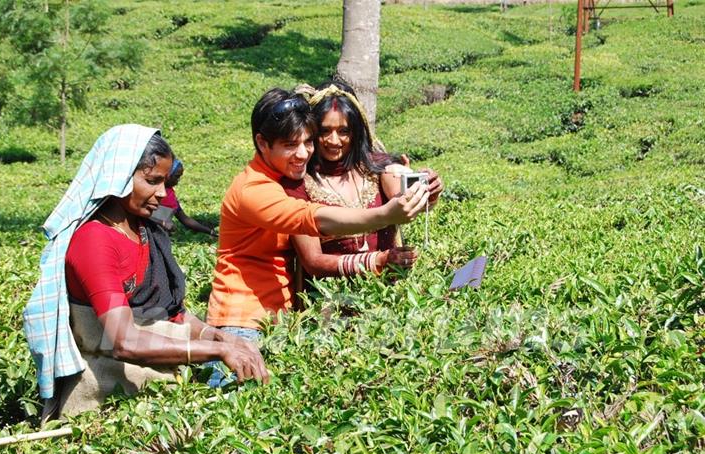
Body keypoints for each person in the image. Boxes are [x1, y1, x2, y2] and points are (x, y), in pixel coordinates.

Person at [23, 124, 268, 420]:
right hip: (105, 406)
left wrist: (217, 337)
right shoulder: (95, 241)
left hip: (155, 390)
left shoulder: (145, 231)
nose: (162, 194)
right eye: (152, 181)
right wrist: (214, 352)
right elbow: (124, 341)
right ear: (121, 177)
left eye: (164, 182)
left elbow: (170, 313)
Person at [205, 88, 430, 386]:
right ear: (262, 142)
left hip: (279, 321)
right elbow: (312, 219)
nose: (303, 153)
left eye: (307, 141)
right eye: (290, 144)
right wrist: (385, 217)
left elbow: (386, 168)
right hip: (242, 323)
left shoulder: (282, 177)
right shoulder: (254, 190)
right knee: (235, 412)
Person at [281, 81, 443, 280]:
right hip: (330, 301)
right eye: (325, 131)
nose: (334, 140)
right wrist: (376, 261)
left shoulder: (377, 167)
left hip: (387, 295)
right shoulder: (297, 185)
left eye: (343, 131)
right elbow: (313, 261)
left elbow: (401, 195)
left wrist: (428, 192)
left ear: (356, 132)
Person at [151, 158, 218, 238]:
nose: (178, 180)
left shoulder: (171, 197)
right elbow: (142, 215)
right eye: (176, 176)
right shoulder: (152, 193)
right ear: (167, 174)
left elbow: (185, 219)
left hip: (162, 237)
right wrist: (162, 223)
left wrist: (209, 231)